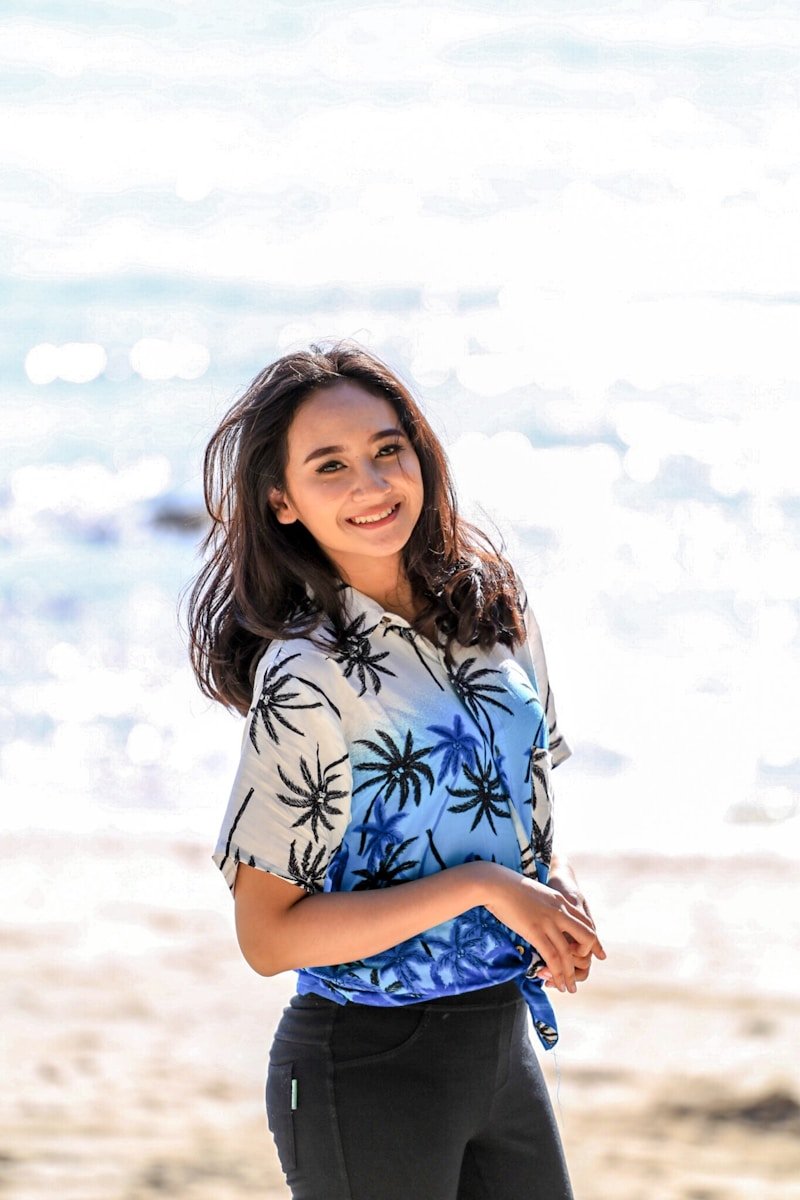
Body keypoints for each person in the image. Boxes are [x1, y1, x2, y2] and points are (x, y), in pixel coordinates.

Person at [187, 341, 605, 1200]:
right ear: (283, 502)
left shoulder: (494, 610)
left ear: (421, 455)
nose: (372, 485)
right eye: (329, 466)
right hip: (364, 1067)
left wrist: (552, 897)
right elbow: (268, 938)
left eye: (387, 450)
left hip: (502, 1051)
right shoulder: (307, 681)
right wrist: (487, 887)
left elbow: (528, 818)